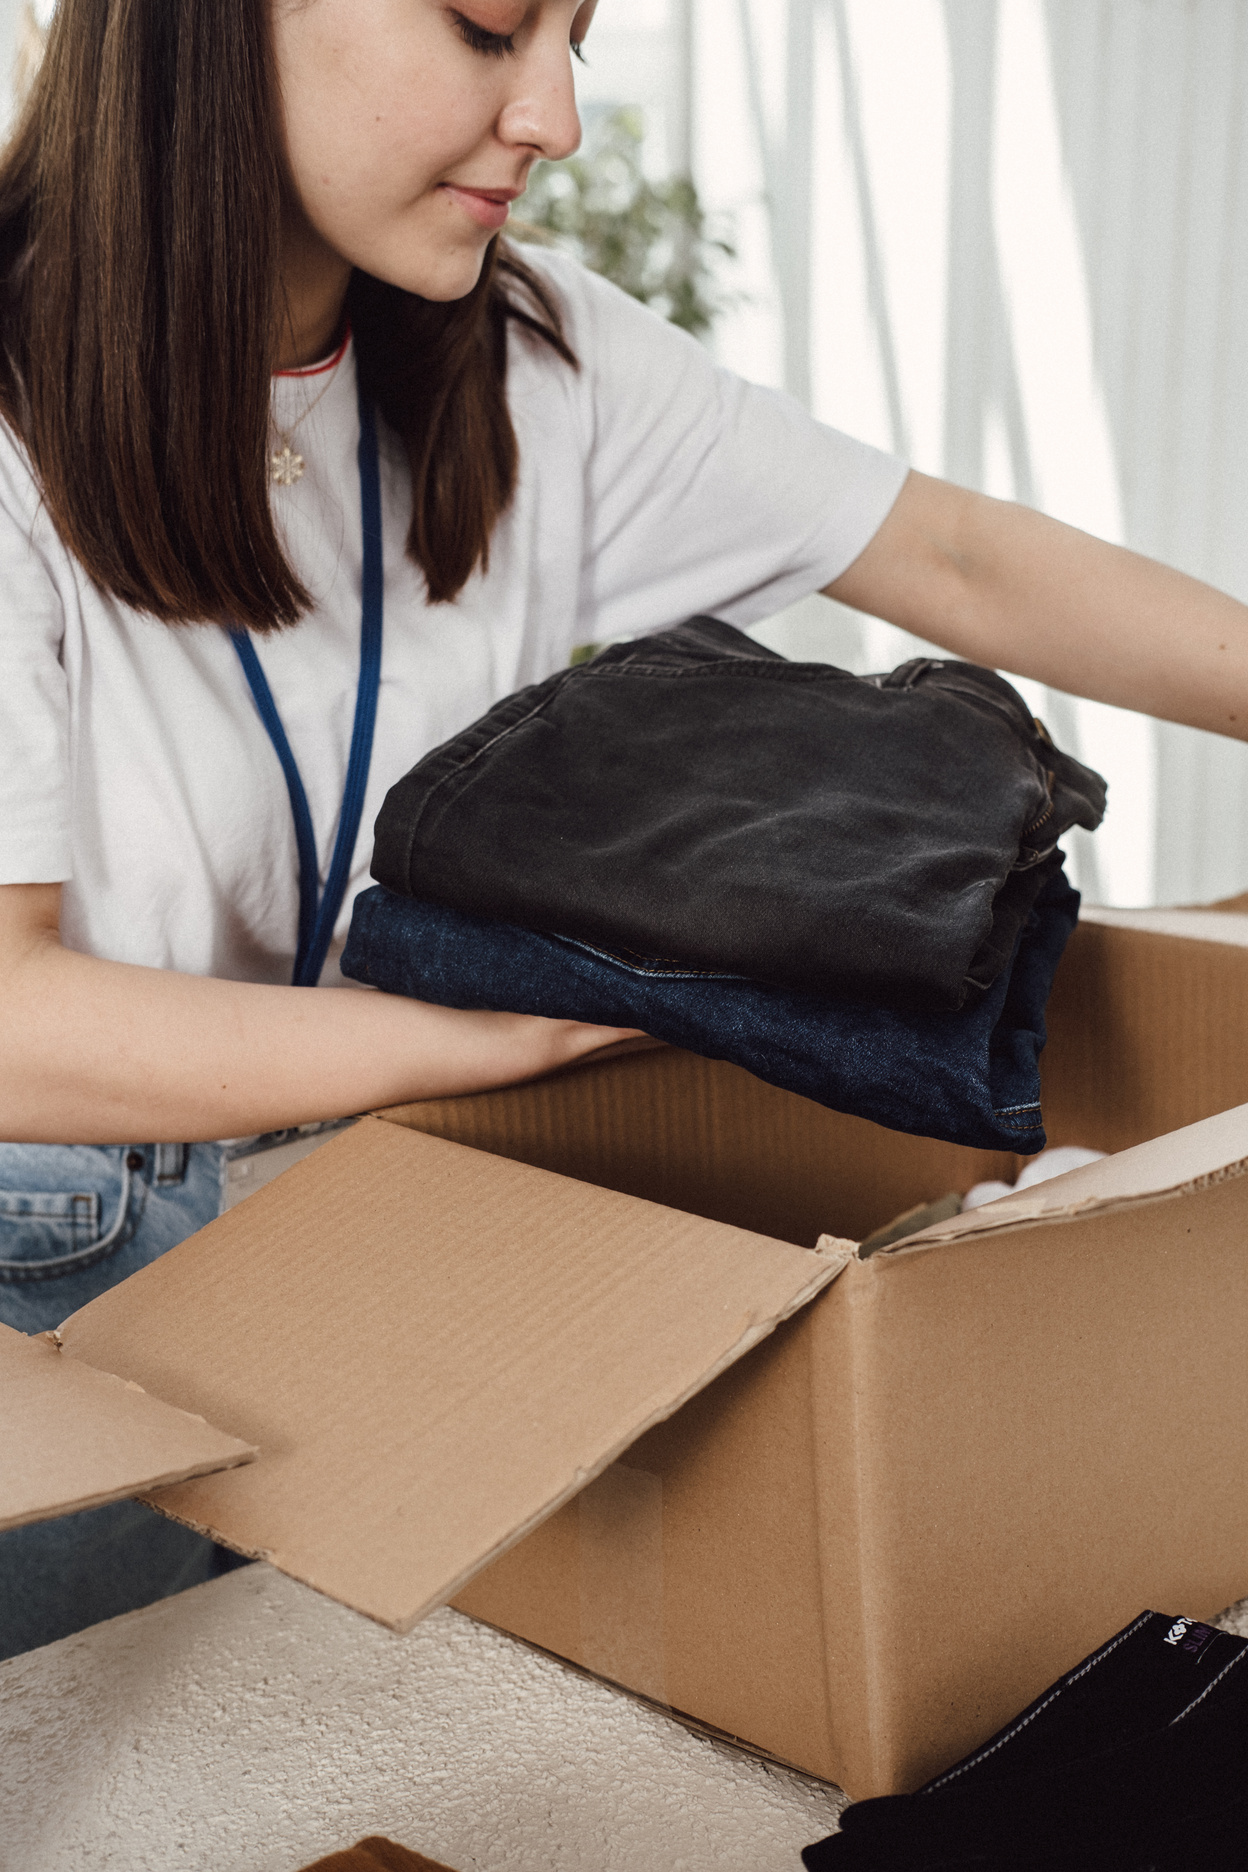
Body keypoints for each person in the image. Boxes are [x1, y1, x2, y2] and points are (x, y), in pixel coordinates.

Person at [0, 0, 1245, 1660]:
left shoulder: (523, 358)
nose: (559, 118)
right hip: (52, 1257)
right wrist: (475, 1038)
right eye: (490, 27)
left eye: (578, 36)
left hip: (362, 1219)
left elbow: (951, 562)